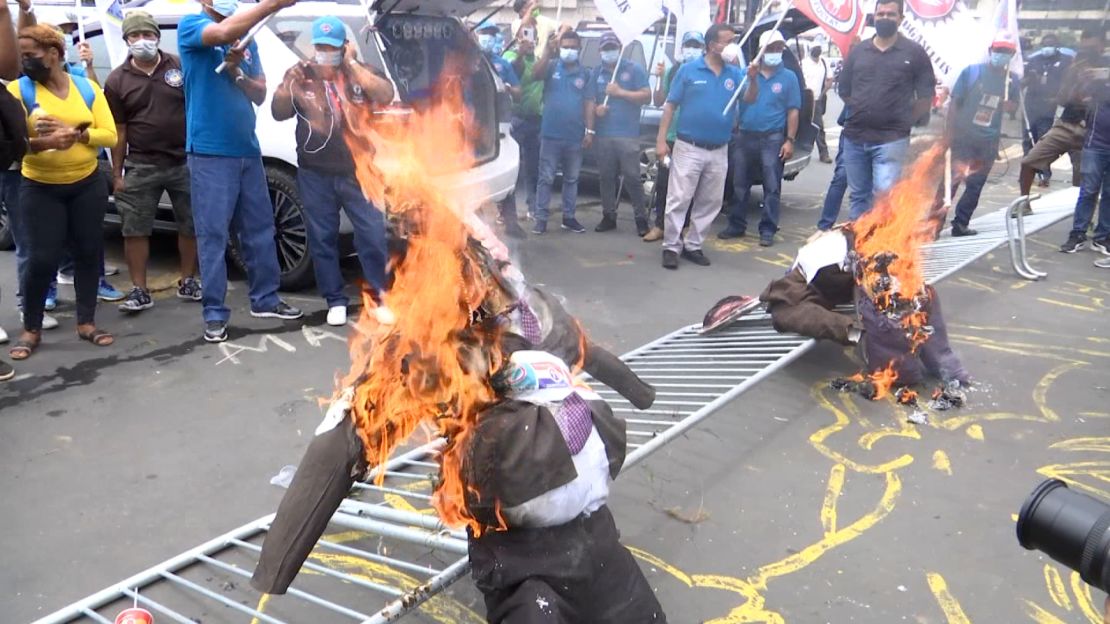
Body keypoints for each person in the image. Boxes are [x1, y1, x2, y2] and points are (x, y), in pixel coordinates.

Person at [179, 0, 303, 343]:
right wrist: (272, 4)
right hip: (209, 152)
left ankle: (265, 299)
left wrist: (236, 72)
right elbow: (222, 31)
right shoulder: (192, 26)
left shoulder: (250, 40)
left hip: (247, 148)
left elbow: (260, 94)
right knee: (214, 235)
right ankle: (215, 314)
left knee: (261, 229)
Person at [271, 16, 393, 327]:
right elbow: (278, 112)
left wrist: (351, 65)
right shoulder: (302, 75)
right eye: (321, 47)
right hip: (315, 173)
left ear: (344, 47)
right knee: (323, 238)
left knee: (372, 235)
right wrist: (287, 86)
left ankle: (378, 297)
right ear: (313, 47)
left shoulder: (357, 73)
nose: (327, 53)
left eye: (333, 48)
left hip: (358, 171)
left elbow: (385, 94)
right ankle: (334, 300)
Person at [6, 24, 117, 360]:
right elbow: (11, 146)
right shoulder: (16, 91)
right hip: (40, 187)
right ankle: (32, 328)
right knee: (41, 258)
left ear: (53, 55)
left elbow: (109, 135)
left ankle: (86, 322)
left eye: (31, 55)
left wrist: (78, 135)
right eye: (22, 55)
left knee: (88, 251)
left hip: (87, 183)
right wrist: (44, 142)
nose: (25, 61)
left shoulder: (86, 89)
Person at [104, 11, 200, 313]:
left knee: (191, 224)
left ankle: (188, 280)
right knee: (135, 230)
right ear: (127, 40)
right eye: (135, 36)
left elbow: (197, 107)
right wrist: (117, 173)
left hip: (184, 161)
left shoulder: (180, 66)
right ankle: (139, 289)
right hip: (141, 164)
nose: (142, 41)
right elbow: (119, 130)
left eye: (148, 34)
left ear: (158, 36)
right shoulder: (117, 80)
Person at [837, 0, 934, 219]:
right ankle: (859, 247)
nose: (885, 18)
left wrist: (905, 121)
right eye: (880, 14)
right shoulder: (858, 51)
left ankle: (880, 246)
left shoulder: (915, 53)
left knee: (884, 196)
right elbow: (844, 90)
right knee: (859, 197)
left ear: (901, 18)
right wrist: (861, 108)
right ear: (874, 17)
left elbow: (926, 96)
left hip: (891, 140)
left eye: (891, 14)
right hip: (855, 138)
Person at [656, 23, 741, 269]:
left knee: (710, 201)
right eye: (727, 40)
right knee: (679, 198)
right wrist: (661, 140)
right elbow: (670, 105)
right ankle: (671, 246)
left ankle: (693, 245)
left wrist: (752, 78)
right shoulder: (688, 70)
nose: (731, 45)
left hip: (719, 149)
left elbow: (749, 97)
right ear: (713, 44)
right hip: (689, 146)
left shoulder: (735, 74)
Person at [718, 29, 800, 247]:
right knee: (739, 184)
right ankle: (736, 224)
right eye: (771, 49)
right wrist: (752, 78)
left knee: (771, 186)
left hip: (772, 138)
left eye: (779, 48)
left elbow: (793, 110)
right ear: (761, 51)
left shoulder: (789, 77)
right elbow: (745, 100)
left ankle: (768, 229)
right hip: (745, 136)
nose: (776, 52)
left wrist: (789, 140)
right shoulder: (746, 75)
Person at [933, 37, 1020, 237]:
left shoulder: (1012, 81)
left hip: (988, 141)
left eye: (1006, 52)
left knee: (975, 185)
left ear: (1012, 55)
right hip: (963, 138)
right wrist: (950, 134)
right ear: (990, 50)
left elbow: (1014, 105)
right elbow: (955, 103)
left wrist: (1010, 106)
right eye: (998, 50)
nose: (1002, 55)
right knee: (949, 182)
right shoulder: (972, 73)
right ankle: (934, 224)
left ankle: (961, 224)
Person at [1023, 29, 1105, 218]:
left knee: (1085, 178)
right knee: (1029, 161)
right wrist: (1074, 82)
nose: (1087, 53)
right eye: (1083, 48)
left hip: (1092, 131)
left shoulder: (1106, 67)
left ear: (1101, 46)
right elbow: (1062, 99)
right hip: (1066, 124)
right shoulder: (1074, 67)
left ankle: (1084, 218)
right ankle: (1023, 204)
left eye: (1091, 48)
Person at [530, 27, 594, 235]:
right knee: (546, 178)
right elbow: (534, 74)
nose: (569, 51)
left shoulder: (585, 74)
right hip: (550, 135)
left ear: (579, 48)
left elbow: (589, 102)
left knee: (571, 179)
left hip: (574, 137)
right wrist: (549, 51)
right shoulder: (551, 66)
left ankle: (569, 217)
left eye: (573, 48)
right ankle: (541, 219)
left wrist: (590, 131)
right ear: (560, 48)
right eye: (565, 47)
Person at [643, 31, 705, 243]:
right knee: (664, 183)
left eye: (696, 45)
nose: (691, 49)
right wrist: (660, 79)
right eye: (688, 45)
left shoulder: (705, 72)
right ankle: (660, 225)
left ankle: (685, 226)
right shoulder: (673, 71)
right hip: (671, 136)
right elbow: (660, 101)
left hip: (693, 138)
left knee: (689, 186)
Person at [592, 31, 650, 235]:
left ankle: (641, 218)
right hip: (604, 134)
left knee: (633, 177)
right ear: (600, 51)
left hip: (628, 134)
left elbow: (646, 96)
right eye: (606, 49)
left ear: (619, 48)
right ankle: (609, 216)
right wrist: (597, 110)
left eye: (612, 48)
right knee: (606, 177)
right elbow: (590, 102)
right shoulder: (596, 73)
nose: (610, 52)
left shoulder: (633, 69)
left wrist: (620, 93)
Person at [474, 20, 526, 238]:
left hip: (499, 125)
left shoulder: (502, 64)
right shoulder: (469, 62)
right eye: (484, 33)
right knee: (475, 173)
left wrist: (508, 88)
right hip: (474, 125)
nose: (488, 37)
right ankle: (476, 225)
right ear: (477, 35)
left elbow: (518, 91)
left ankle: (511, 222)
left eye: (492, 34)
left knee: (503, 172)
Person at [1063, 55, 1109, 257]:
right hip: (1095, 146)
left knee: (1109, 193)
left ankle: (1103, 237)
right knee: (1088, 191)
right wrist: (1081, 77)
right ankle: (1078, 233)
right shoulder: (1096, 87)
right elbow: (1073, 100)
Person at [504, 21, 543, 227]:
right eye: (524, 35)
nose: (528, 40)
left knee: (532, 168)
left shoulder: (538, 61)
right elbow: (514, 72)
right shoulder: (511, 57)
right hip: (516, 120)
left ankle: (532, 207)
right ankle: (506, 212)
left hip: (536, 121)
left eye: (531, 36)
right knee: (511, 167)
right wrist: (520, 53)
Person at [1023, 33, 1072, 187]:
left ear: (1057, 46)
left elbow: (1068, 84)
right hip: (1030, 106)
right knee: (1027, 141)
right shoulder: (1034, 60)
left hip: (1048, 108)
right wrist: (1025, 80)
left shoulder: (1065, 62)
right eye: (1044, 44)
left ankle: (1044, 174)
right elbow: (1023, 80)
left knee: (1043, 142)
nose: (1046, 48)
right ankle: (1026, 173)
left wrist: (1059, 99)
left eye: (1050, 44)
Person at [802, 43, 832, 163]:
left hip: (817, 99)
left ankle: (823, 153)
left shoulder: (824, 63)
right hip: (805, 99)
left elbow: (830, 79)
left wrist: (823, 92)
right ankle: (802, 151)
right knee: (803, 126)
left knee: (818, 127)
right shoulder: (804, 63)